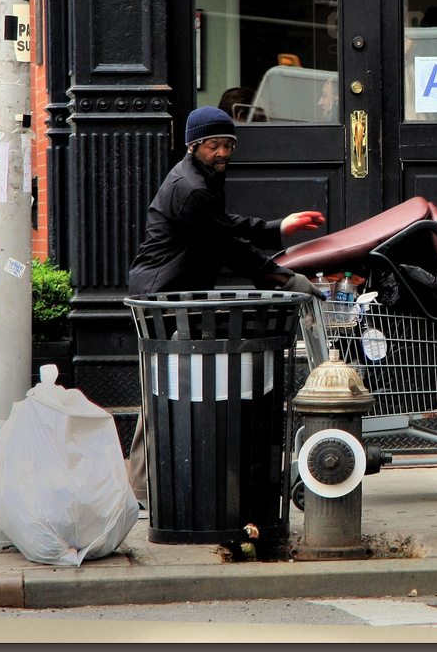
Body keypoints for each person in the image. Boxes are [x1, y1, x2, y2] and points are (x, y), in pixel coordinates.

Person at [124, 105, 325, 504]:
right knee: (165, 387)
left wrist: (277, 229)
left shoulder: (202, 180)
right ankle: (144, 486)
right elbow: (228, 246)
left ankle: (155, 483)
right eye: (214, 145)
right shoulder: (192, 188)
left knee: (170, 386)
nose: (222, 153)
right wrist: (283, 278)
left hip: (177, 296)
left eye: (228, 145)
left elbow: (225, 226)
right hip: (165, 299)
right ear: (193, 145)